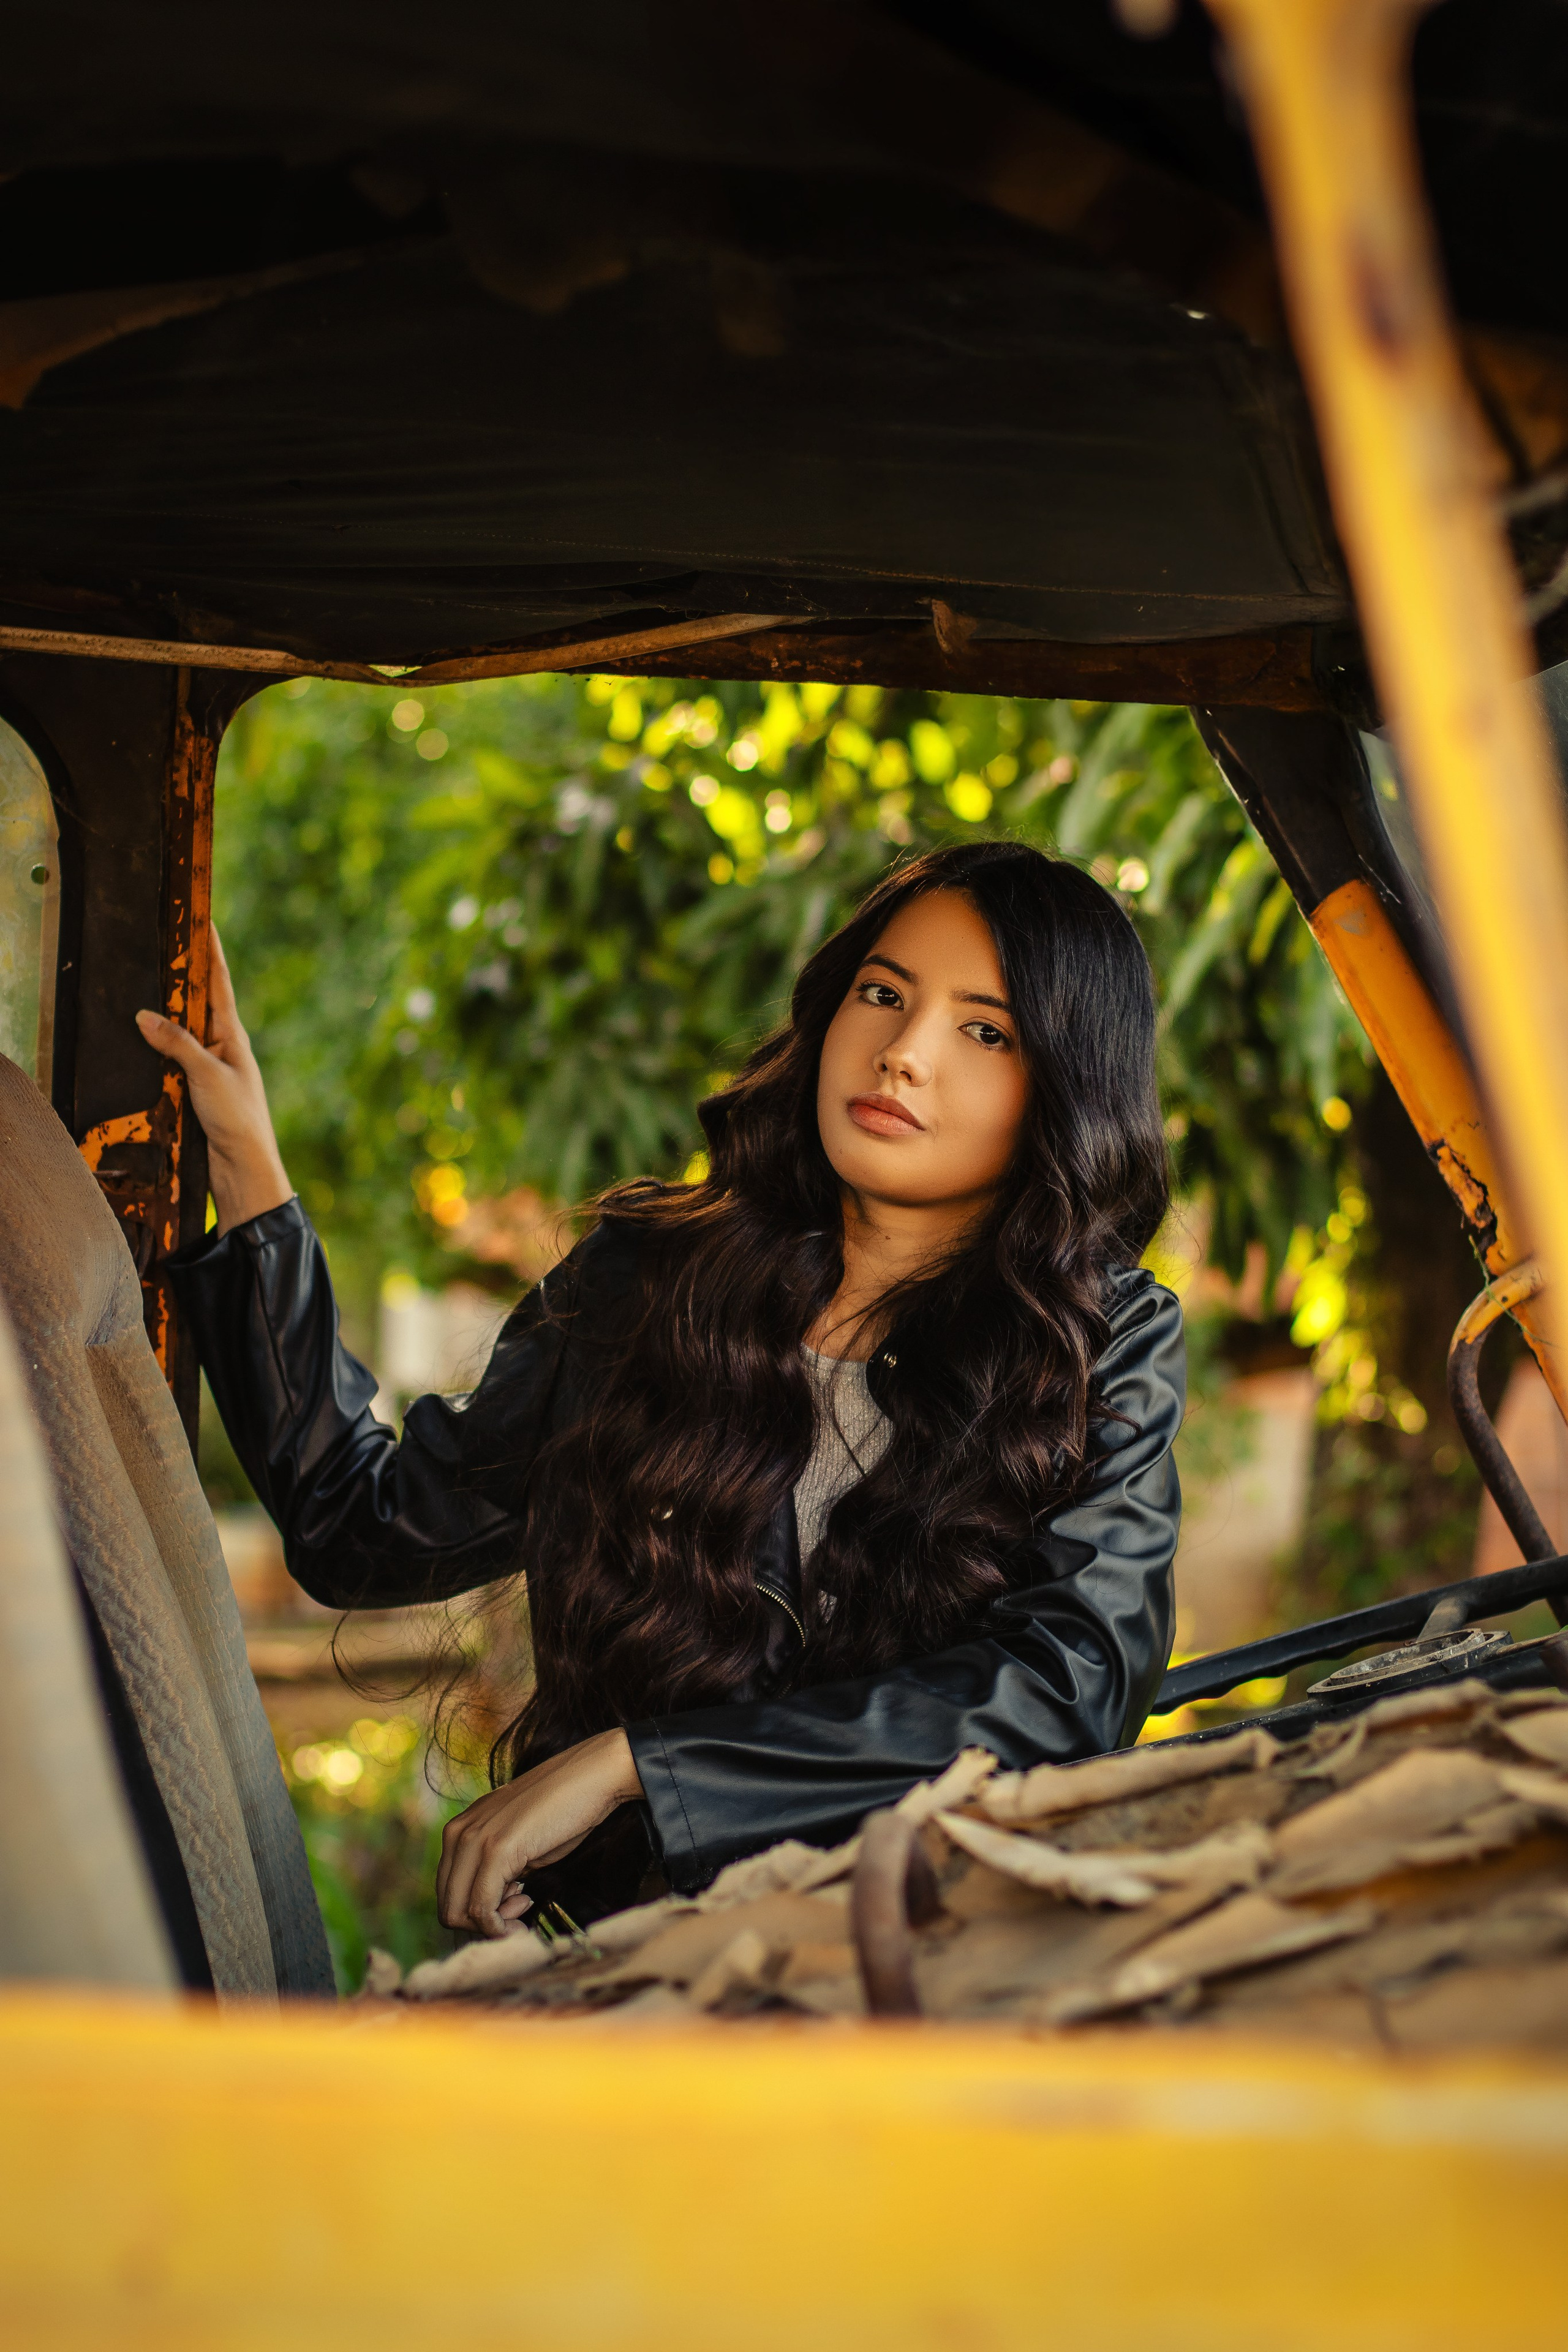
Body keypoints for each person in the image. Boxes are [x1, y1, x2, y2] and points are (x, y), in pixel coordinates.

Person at [143, 840, 1184, 1936]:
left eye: (986, 1030)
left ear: (1062, 1082)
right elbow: (363, 1530)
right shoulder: (647, 1276)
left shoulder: (1103, 1341)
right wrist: (253, 1181)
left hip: (919, 1979)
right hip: (618, 1968)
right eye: (884, 994)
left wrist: (642, 1767)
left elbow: (1068, 1690)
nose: (905, 1054)